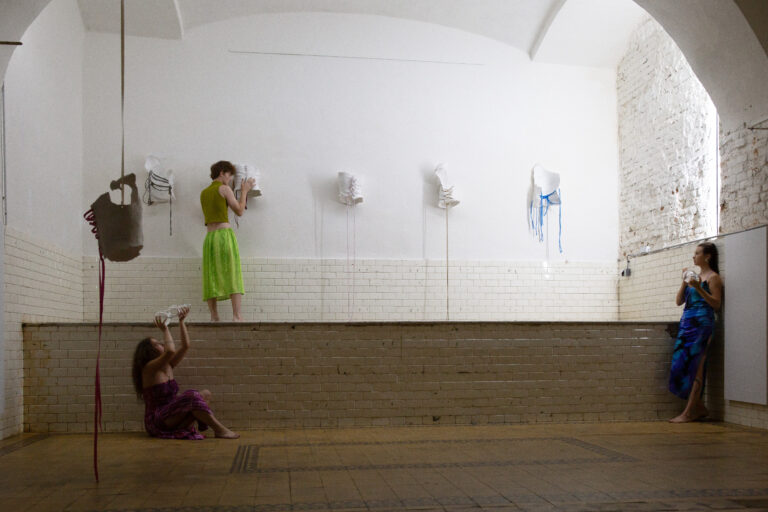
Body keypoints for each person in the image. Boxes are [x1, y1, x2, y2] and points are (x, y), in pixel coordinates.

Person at [132, 307, 239, 439]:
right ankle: (219, 430)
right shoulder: (149, 368)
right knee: (191, 395)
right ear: (149, 351)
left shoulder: (168, 365)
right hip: (157, 420)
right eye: (157, 344)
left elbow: (185, 346)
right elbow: (170, 351)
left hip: (171, 413)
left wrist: (181, 321)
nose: (162, 344)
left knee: (205, 394)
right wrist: (165, 329)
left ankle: (186, 427)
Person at [669, 242, 723, 423]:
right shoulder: (694, 277)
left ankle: (689, 412)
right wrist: (684, 281)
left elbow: (716, 304)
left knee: (696, 366)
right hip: (687, 323)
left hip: (702, 325)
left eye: (697, 253)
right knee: (680, 365)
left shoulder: (713, 278)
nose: (694, 256)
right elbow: (678, 301)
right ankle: (698, 406)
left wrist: (699, 288)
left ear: (707, 256)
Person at [200, 160, 254, 321]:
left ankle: (214, 316)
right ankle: (237, 316)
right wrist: (244, 191)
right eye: (230, 175)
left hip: (209, 238)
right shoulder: (224, 189)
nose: (230, 179)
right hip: (223, 235)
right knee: (232, 272)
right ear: (222, 172)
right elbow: (239, 211)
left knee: (210, 275)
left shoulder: (204, 193)